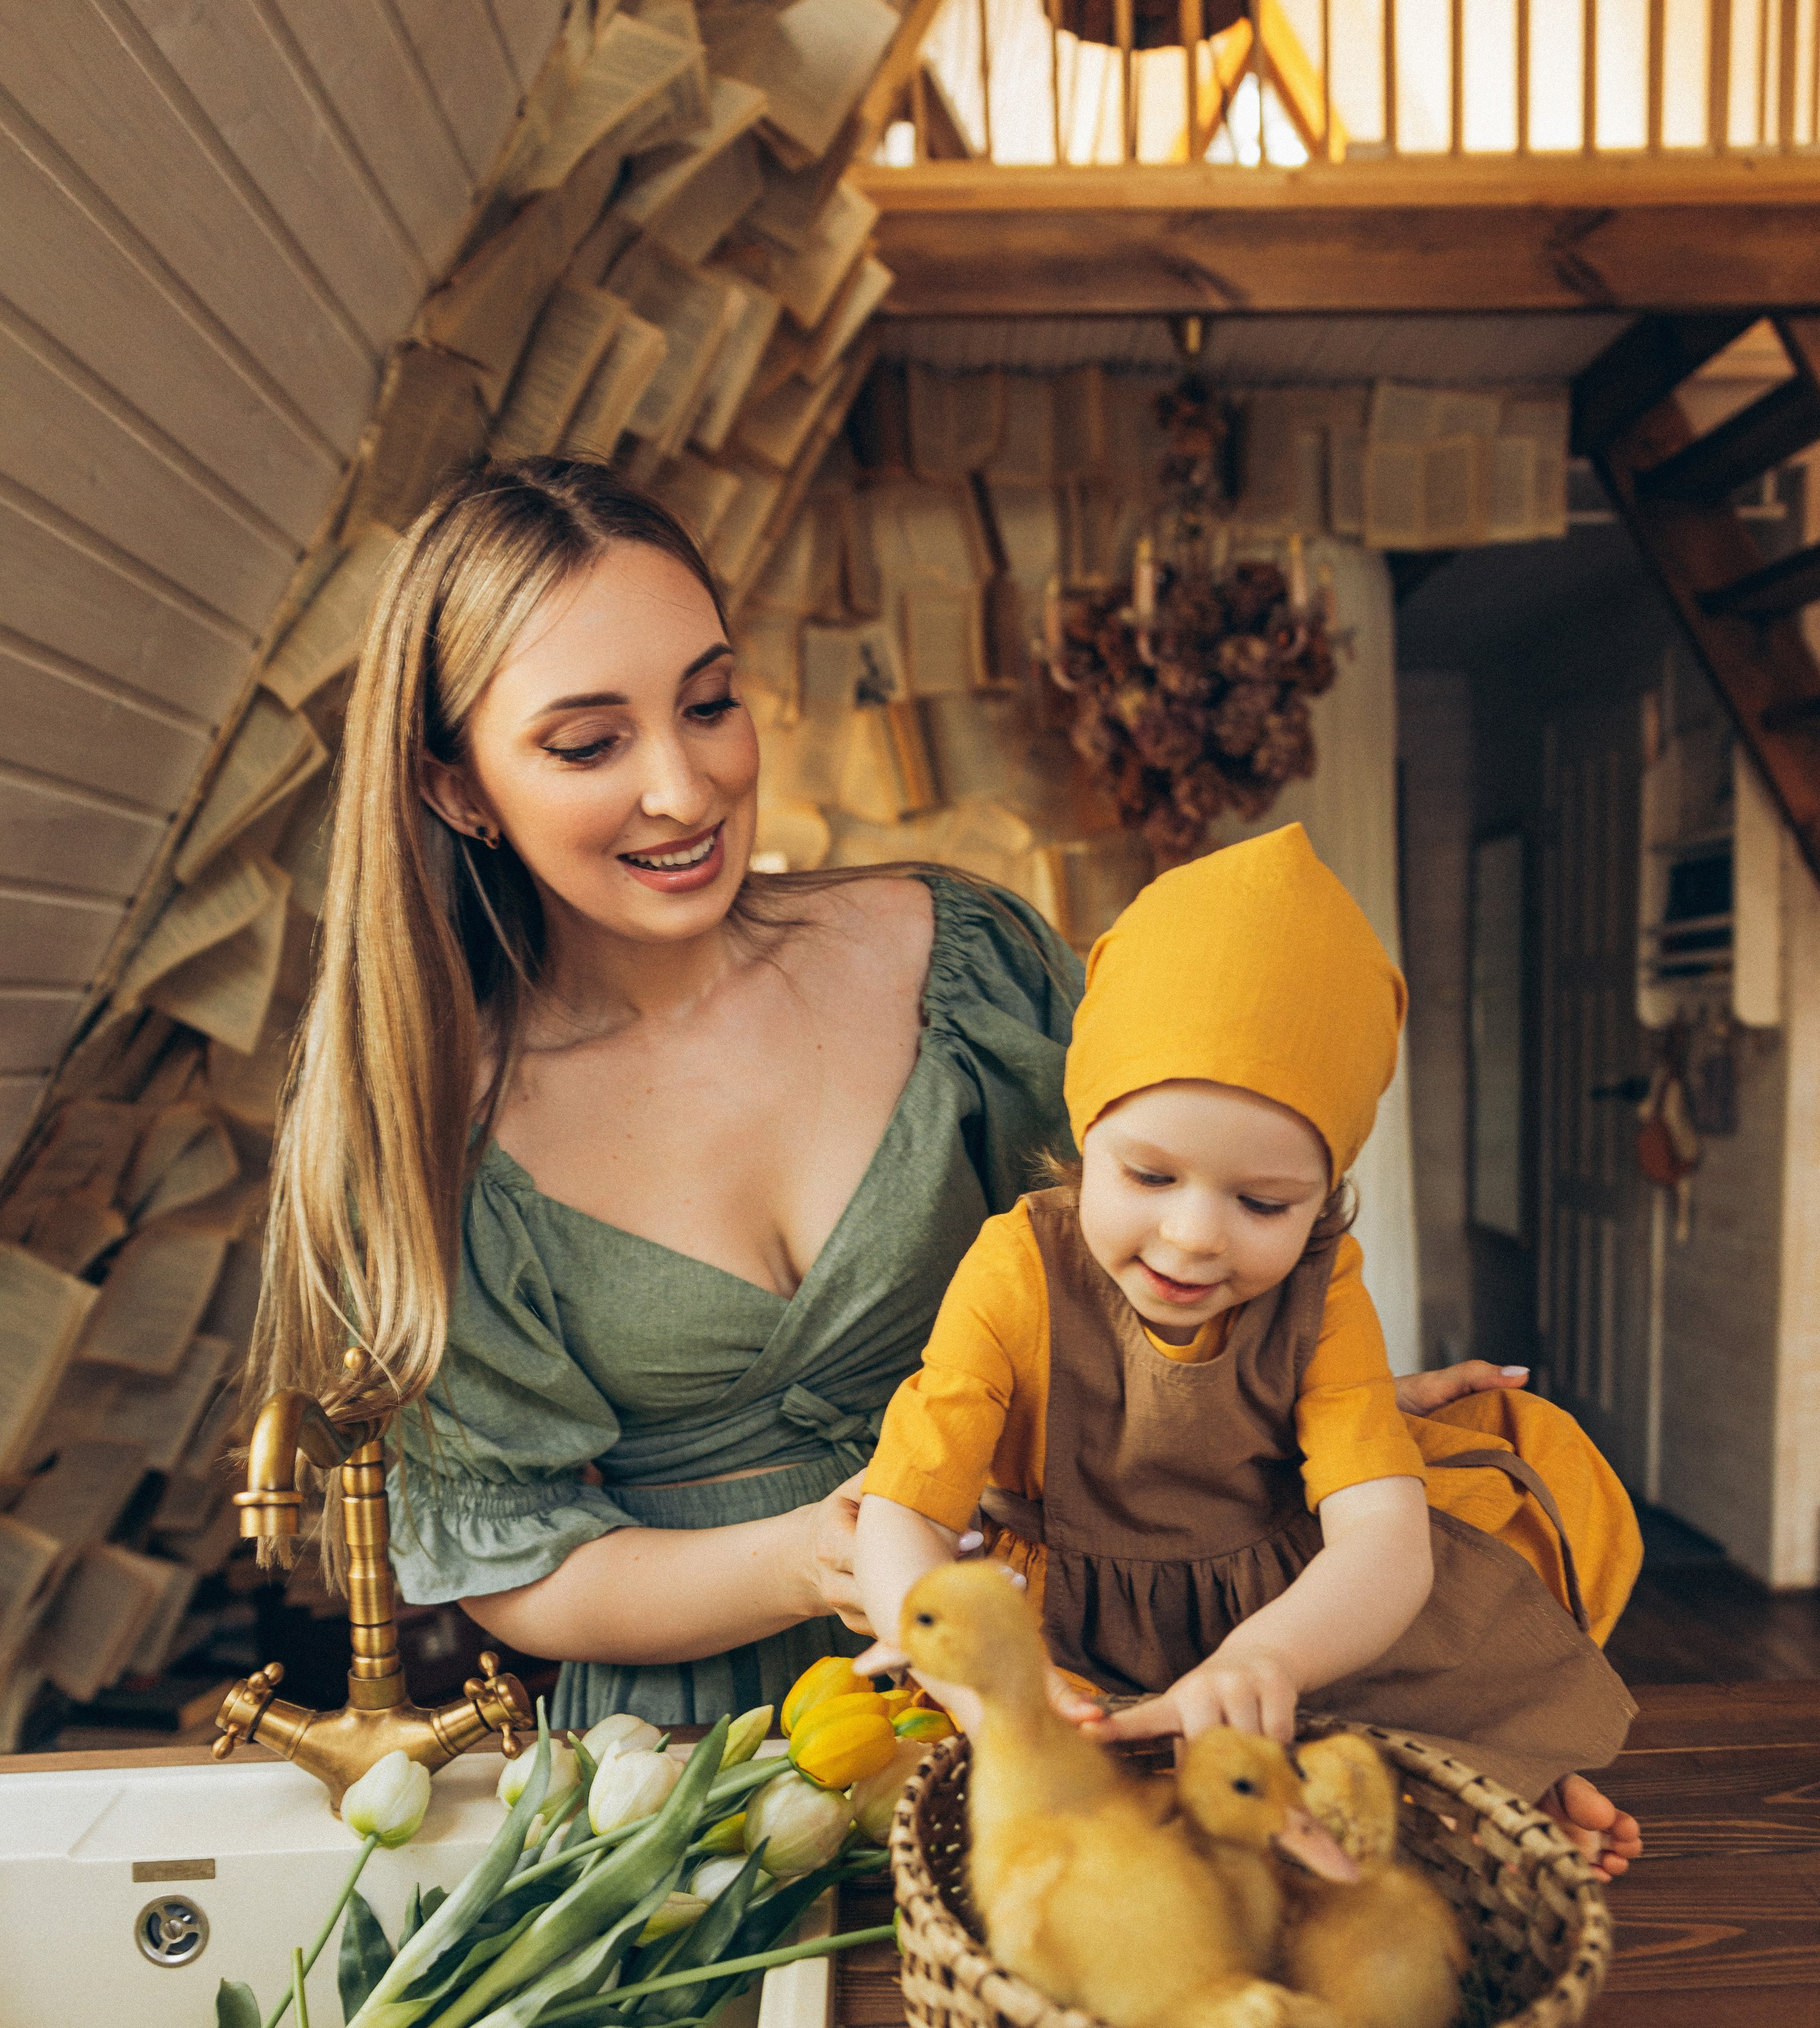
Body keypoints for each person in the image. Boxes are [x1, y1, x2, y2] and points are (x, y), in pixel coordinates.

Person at [252, 459, 1556, 1774]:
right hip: (703, 1759)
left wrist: (1304, 1408)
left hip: (1064, 1673)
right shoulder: (428, 1139)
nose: (685, 788)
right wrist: (815, 1557)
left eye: (709, 705)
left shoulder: (960, 960)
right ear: (456, 786)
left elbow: (1158, 1250)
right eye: (589, 743)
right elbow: (517, 1569)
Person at [854, 825, 1644, 1877]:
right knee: (1067, 1804)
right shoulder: (1014, 1271)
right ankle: (1474, 1787)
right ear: (1086, 1137)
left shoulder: (1326, 1286)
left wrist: (1266, 1655)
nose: (1192, 1237)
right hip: (1068, 1625)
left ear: (1325, 1197)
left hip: (1275, 1606)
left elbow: (1381, 1544)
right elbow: (905, 1509)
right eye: (1147, 1177)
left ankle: (1502, 1783)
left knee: (1397, 1678)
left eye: (1263, 1202)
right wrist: (970, 1670)